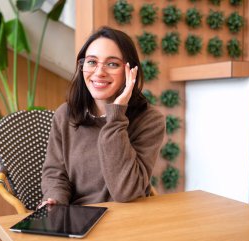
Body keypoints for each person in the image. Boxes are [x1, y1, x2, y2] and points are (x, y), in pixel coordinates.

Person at [40, 26, 165, 207]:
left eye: (112, 64)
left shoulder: (149, 120)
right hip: (79, 219)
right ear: (82, 67)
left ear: (130, 71)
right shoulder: (65, 115)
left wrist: (116, 115)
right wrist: (55, 201)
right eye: (92, 62)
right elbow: (55, 173)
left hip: (128, 219)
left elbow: (126, 192)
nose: (99, 72)